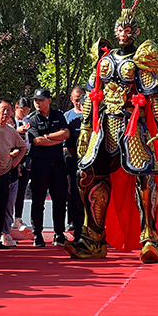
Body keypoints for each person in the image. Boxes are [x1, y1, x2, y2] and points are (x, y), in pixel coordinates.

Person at [64, 9, 158, 263]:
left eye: (128, 30)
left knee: (144, 179)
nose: (123, 34)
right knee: (88, 176)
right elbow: (92, 96)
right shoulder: (104, 58)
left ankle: (149, 237)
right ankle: (93, 239)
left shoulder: (141, 58)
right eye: (120, 30)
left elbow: (156, 96)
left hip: (132, 126)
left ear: (136, 32)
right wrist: (85, 128)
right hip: (104, 126)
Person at [27, 88, 70, 248]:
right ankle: (37, 234)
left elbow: (66, 134)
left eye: (41, 100)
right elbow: (37, 141)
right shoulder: (32, 118)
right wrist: (56, 139)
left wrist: (47, 137)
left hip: (57, 163)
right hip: (40, 164)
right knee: (38, 200)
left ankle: (59, 233)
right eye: (36, 100)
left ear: (49, 100)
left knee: (60, 200)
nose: (37, 103)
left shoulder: (58, 115)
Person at [0, 100, 26, 250]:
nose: (6, 113)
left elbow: (23, 147)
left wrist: (15, 163)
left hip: (5, 173)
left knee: (2, 207)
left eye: (9, 110)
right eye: (3, 109)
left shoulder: (11, 131)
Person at [63, 86, 85, 239]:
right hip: (73, 161)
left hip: (91, 164)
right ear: (71, 99)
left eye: (81, 99)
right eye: (76, 100)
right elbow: (68, 144)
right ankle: (73, 222)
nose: (79, 103)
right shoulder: (68, 117)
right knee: (73, 192)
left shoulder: (94, 117)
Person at [12, 97, 32, 230]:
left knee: (21, 189)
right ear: (16, 107)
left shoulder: (28, 121)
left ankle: (18, 217)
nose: (24, 113)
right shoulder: (11, 121)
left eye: (27, 111)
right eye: (22, 110)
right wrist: (17, 131)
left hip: (25, 158)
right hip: (12, 158)